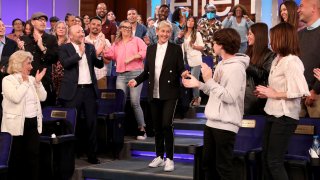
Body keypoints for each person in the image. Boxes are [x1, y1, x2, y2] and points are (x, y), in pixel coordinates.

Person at [182, 28, 249, 180]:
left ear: (222, 45)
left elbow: (229, 97)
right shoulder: (221, 64)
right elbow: (214, 91)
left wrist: (209, 80)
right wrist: (198, 83)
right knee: (208, 165)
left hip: (226, 124)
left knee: (223, 168)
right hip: (212, 122)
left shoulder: (237, 67)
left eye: (215, 42)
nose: (212, 44)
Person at [128, 21, 188, 171]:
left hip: (170, 93)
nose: (165, 34)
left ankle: (170, 159)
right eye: (162, 31)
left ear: (170, 33)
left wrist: (183, 73)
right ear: (157, 32)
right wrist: (136, 80)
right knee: (157, 127)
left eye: (168, 32)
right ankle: (160, 156)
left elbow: (181, 67)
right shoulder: (151, 49)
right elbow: (147, 72)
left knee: (167, 125)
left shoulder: (175, 49)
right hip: (153, 92)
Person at [255, 22, 310, 180]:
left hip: (285, 117)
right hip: (272, 112)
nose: (270, 41)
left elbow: (300, 91)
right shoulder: (276, 59)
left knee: (274, 162)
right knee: (265, 158)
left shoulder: (292, 61)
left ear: (282, 39)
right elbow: (276, 89)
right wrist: (267, 94)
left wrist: (274, 93)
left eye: (273, 38)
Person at [58, 25, 105, 164]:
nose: (81, 33)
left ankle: (92, 155)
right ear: (71, 36)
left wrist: (99, 54)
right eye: (78, 31)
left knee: (92, 123)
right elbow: (66, 64)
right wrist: (79, 54)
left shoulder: (90, 47)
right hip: (73, 92)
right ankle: (70, 156)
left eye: (82, 31)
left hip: (89, 90)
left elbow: (99, 65)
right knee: (71, 124)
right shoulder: (64, 48)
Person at [1, 50, 47, 180]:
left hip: (33, 123)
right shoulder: (7, 80)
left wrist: (37, 83)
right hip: (15, 126)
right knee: (16, 158)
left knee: (33, 156)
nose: (31, 67)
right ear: (19, 64)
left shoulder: (32, 79)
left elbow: (43, 97)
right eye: (28, 63)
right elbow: (16, 98)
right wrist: (26, 83)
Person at [104, 20, 147, 140]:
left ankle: (142, 128)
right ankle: (119, 128)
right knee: (120, 102)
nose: (128, 29)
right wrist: (103, 46)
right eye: (125, 27)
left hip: (136, 73)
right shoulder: (116, 43)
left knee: (134, 102)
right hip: (121, 75)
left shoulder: (137, 40)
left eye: (129, 28)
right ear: (121, 29)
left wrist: (133, 57)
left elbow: (144, 51)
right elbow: (110, 55)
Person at [20, 12, 59, 107]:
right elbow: (18, 61)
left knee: (45, 112)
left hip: (44, 81)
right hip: (27, 81)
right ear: (33, 22)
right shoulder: (24, 39)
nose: (43, 22)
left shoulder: (51, 39)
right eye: (40, 20)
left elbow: (54, 59)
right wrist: (21, 50)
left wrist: (41, 46)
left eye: (45, 20)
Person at [244, 23, 276, 115]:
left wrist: (246, 63)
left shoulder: (270, 55)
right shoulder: (248, 52)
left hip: (258, 101)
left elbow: (264, 75)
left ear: (258, 35)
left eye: (250, 34)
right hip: (244, 98)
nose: (248, 37)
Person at [297, 0, 320, 118]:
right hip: (298, 97)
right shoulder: (299, 35)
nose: (298, 10)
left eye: (301, 6)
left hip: (317, 98)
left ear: (313, 8)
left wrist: (315, 90)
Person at [182, 16, 204, 107]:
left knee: (194, 79)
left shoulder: (197, 34)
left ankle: (196, 98)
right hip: (185, 59)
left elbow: (202, 47)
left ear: (194, 23)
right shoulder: (182, 33)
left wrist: (194, 46)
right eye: (189, 20)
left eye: (192, 21)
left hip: (196, 59)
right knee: (187, 79)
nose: (190, 22)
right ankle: (191, 98)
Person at [0, 19, 18, 127]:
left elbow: (14, 62)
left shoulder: (12, 44)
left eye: (3, 25)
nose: (2, 28)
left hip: (6, 81)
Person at [85, 17, 111, 89]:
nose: (95, 27)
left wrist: (103, 45)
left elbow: (108, 61)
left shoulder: (106, 41)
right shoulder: (83, 41)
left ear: (101, 27)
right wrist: (99, 51)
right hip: (85, 78)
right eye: (93, 24)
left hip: (100, 76)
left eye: (98, 25)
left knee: (101, 99)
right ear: (89, 25)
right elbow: (85, 60)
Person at [197, 3, 222, 69]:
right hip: (203, 51)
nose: (210, 13)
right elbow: (197, 34)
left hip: (215, 51)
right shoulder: (201, 21)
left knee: (215, 68)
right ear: (206, 12)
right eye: (208, 12)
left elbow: (222, 37)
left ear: (215, 12)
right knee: (204, 69)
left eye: (212, 12)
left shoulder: (219, 24)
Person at [52, 21, 69, 96]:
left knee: (63, 92)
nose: (61, 29)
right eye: (59, 27)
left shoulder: (69, 42)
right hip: (53, 69)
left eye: (63, 28)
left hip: (65, 70)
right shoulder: (52, 41)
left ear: (66, 30)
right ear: (55, 29)